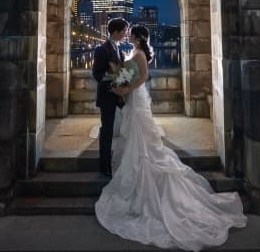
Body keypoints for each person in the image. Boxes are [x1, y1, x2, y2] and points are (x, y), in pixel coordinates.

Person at [95, 25, 247, 251]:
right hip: (132, 99)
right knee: (134, 137)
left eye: (131, 33)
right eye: (125, 32)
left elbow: (143, 76)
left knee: (142, 139)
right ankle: (130, 167)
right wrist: (121, 84)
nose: (128, 35)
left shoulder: (138, 54)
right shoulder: (133, 51)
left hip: (135, 98)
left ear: (136, 37)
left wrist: (126, 90)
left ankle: (141, 176)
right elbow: (126, 74)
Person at [91, 17, 128, 177]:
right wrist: (112, 86)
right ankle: (104, 165)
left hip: (119, 96)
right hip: (107, 97)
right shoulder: (102, 49)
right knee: (106, 130)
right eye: (123, 32)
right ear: (115, 32)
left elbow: (121, 71)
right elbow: (97, 73)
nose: (125, 34)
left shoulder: (119, 49)